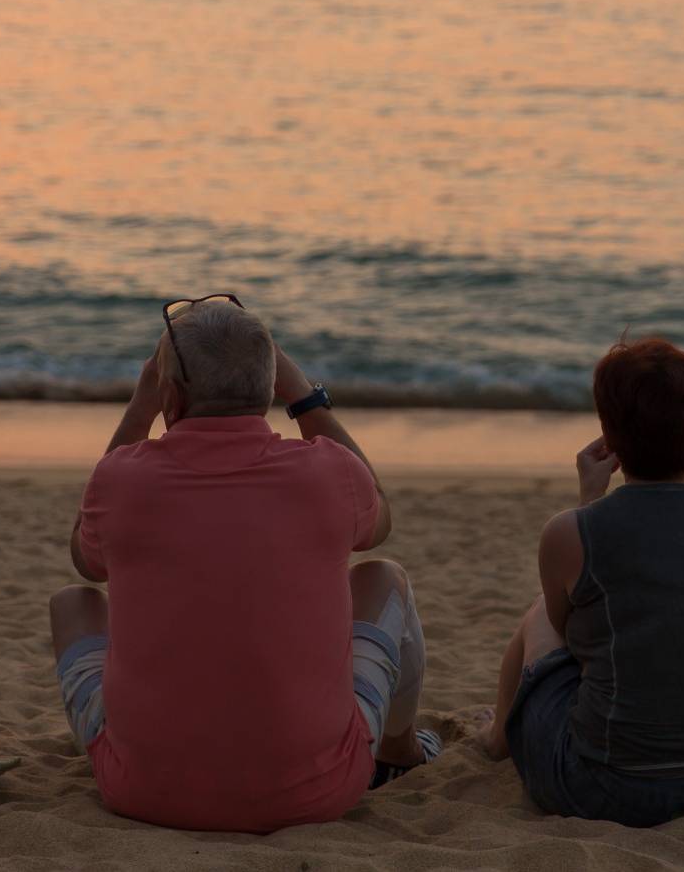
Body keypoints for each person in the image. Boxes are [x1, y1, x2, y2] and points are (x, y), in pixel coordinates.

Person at [49, 296, 434, 832]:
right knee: (382, 577)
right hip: (319, 790)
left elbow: (84, 561)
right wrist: (303, 395)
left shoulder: (123, 479)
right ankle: (398, 748)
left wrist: (141, 409)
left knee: (73, 604)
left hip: (143, 792)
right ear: (271, 387)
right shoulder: (327, 473)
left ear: (171, 394)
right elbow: (380, 516)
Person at [480, 336, 684, 826]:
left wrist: (589, 497)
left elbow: (571, 632)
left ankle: (499, 739)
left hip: (619, 790)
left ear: (608, 432)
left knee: (538, 616)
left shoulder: (568, 531)